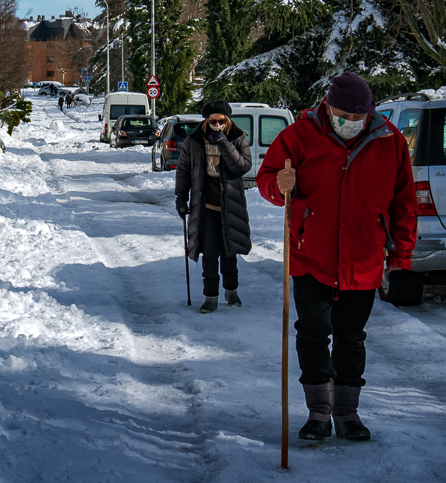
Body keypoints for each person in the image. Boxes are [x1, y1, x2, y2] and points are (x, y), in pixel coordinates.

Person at [257, 71, 416, 443]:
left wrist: (401, 255)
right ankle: (318, 413)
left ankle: (347, 413)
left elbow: (404, 202)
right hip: (311, 257)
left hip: (363, 260)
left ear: (370, 113)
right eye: (344, 117)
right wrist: (278, 187)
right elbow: (268, 176)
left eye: (358, 118)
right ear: (327, 107)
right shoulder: (300, 135)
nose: (351, 124)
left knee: (351, 337)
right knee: (312, 335)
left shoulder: (389, 140)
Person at [175, 100, 253, 314]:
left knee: (229, 252)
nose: (217, 125)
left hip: (231, 204)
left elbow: (242, 167)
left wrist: (224, 144)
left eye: (221, 120)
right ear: (206, 120)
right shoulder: (194, 140)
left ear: (227, 120)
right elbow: (183, 170)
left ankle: (232, 291)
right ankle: (210, 296)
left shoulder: (237, 138)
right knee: (209, 252)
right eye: (213, 121)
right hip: (205, 205)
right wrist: (181, 197)